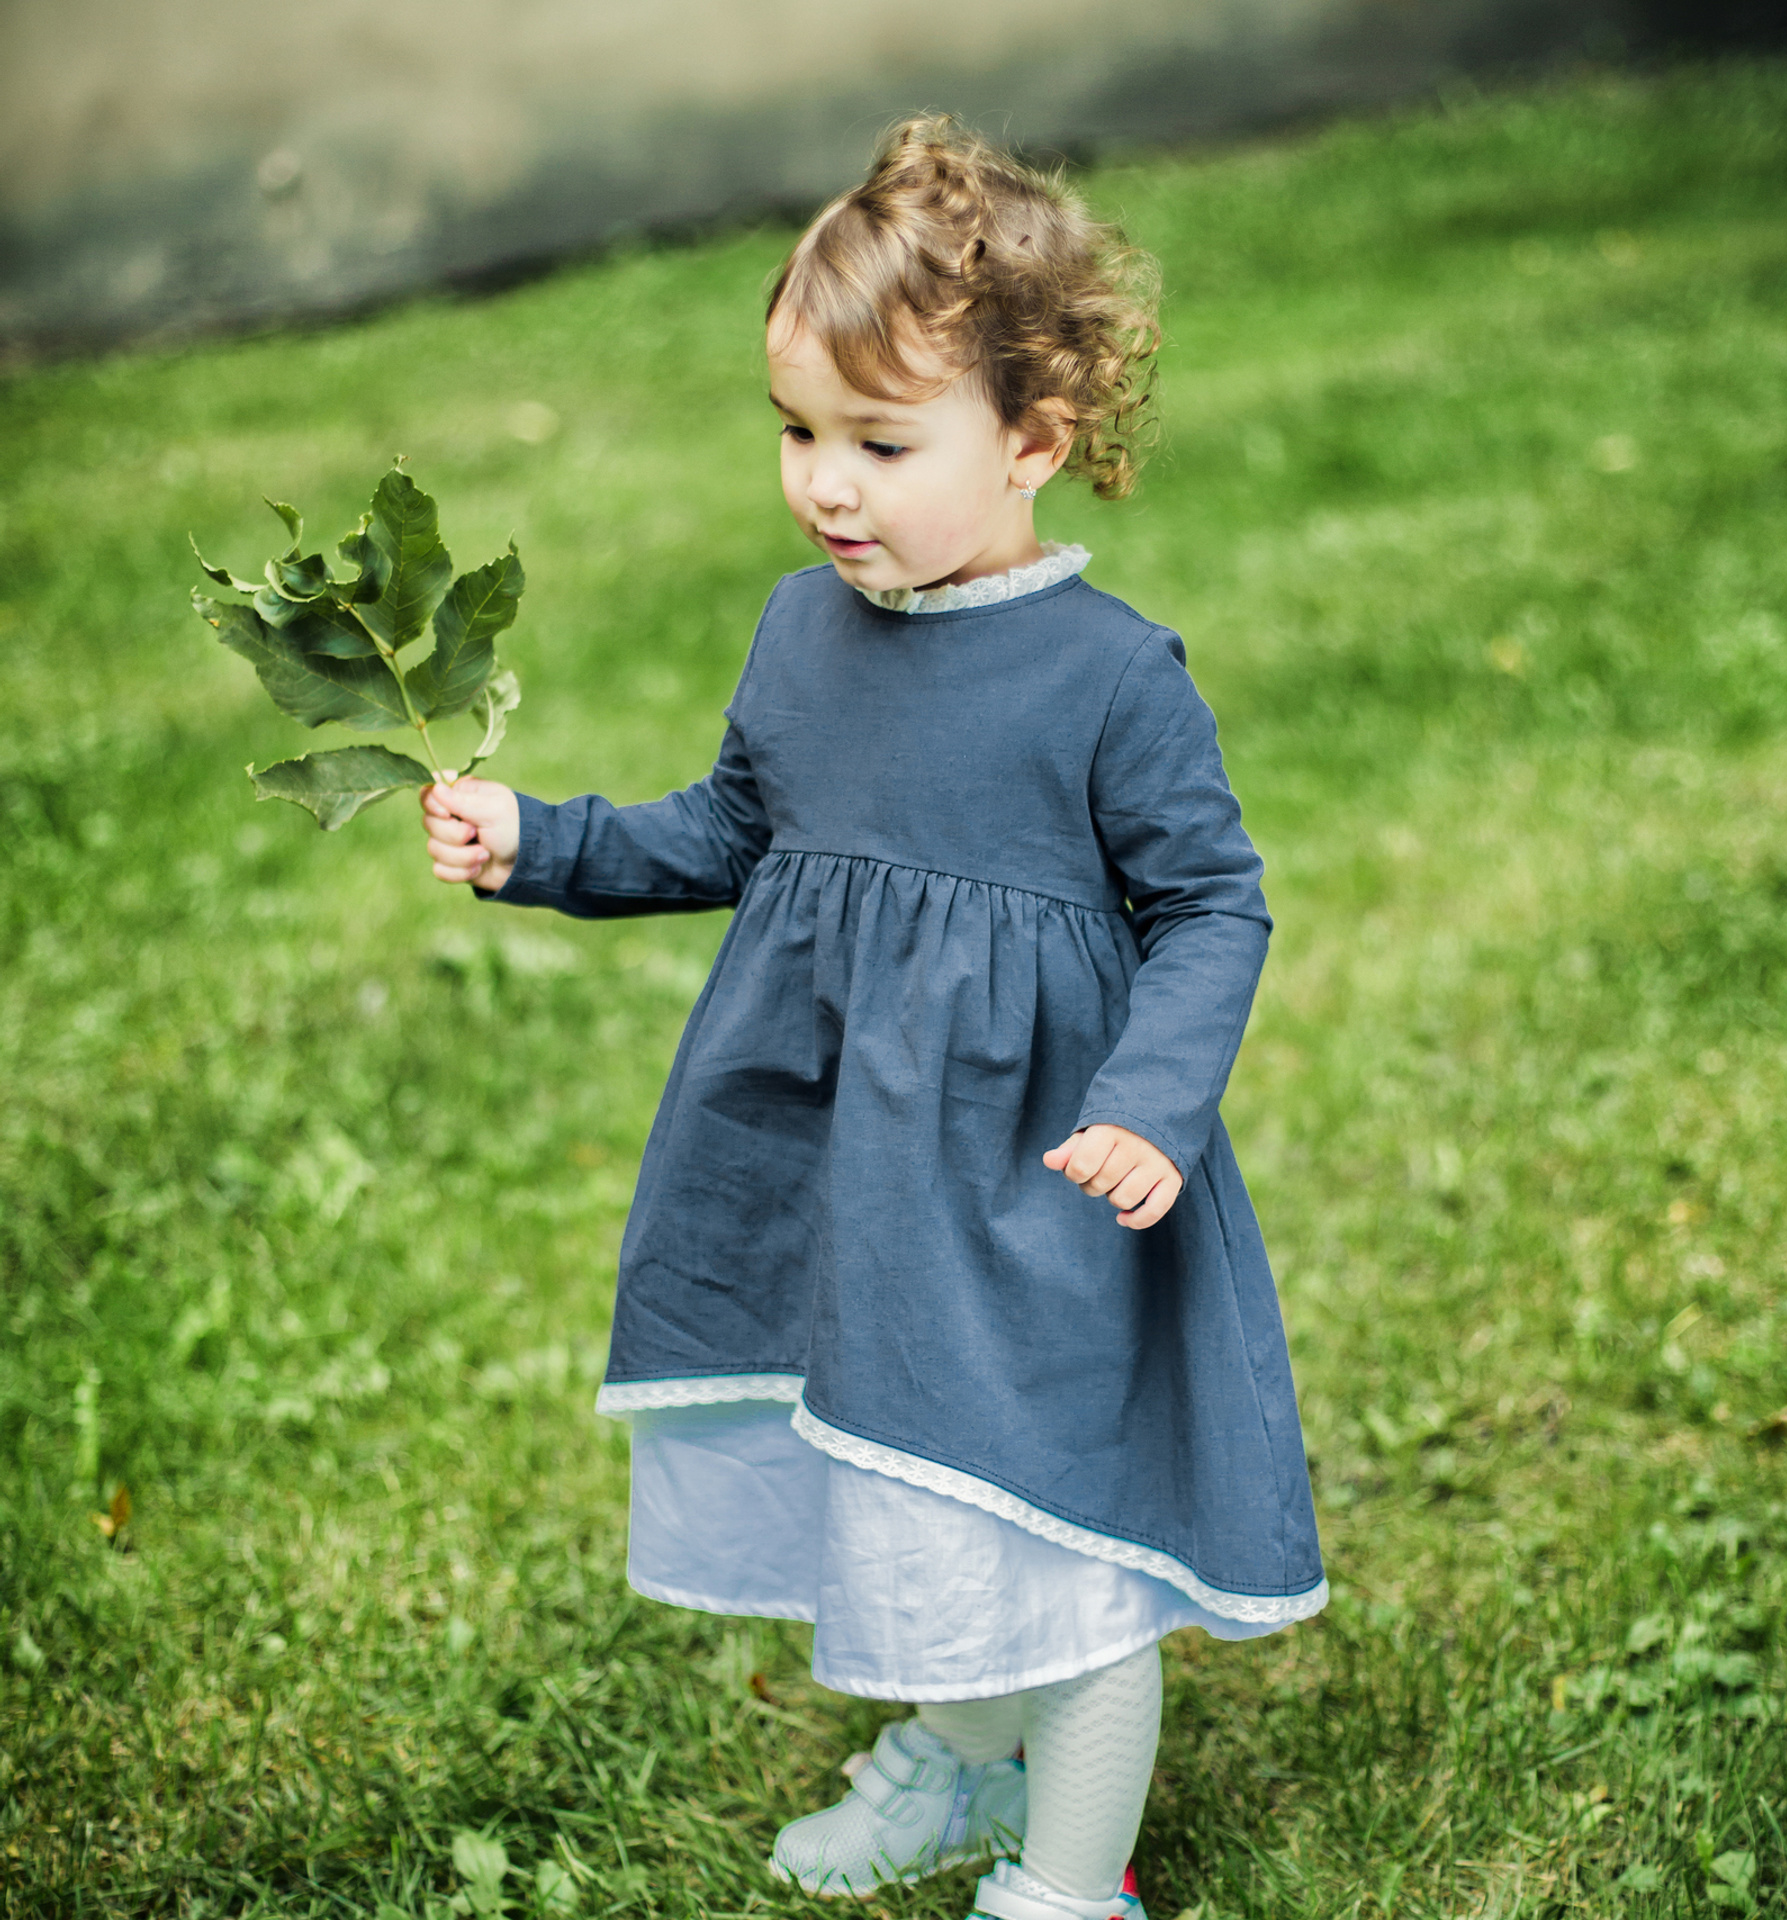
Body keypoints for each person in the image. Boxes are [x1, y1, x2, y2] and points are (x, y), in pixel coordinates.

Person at [419, 115, 1326, 1920]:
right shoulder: (801, 634)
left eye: (881, 444)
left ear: (1035, 446)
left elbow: (1212, 904)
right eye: (799, 434)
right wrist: (549, 842)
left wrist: (1154, 1102)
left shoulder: (1109, 681)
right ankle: (954, 1755)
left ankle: (1069, 1884)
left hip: (1039, 1183)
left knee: (1054, 1530)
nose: (828, 486)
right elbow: (736, 832)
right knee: (912, 1490)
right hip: (867, 1185)